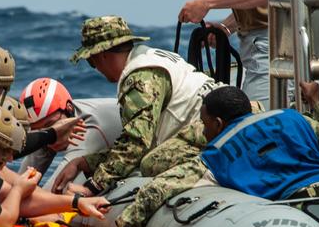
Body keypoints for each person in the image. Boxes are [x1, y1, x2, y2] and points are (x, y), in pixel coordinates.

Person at [109, 83, 319, 227]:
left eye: (204, 124)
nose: (205, 130)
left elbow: (154, 192)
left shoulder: (215, 155)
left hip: (301, 223)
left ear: (218, 124)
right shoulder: (293, 119)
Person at [54, 15, 216, 196]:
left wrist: (92, 187)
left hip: (210, 137)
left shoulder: (140, 78)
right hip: (220, 124)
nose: (95, 68)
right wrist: (84, 162)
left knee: (150, 164)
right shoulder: (153, 57)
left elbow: (136, 146)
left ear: (102, 54)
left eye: (91, 61)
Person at [17, 77, 121, 185]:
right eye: (37, 130)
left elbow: (55, 192)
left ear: (69, 109)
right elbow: (18, 184)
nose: (49, 135)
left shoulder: (87, 128)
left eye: (51, 124)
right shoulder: (48, 129)